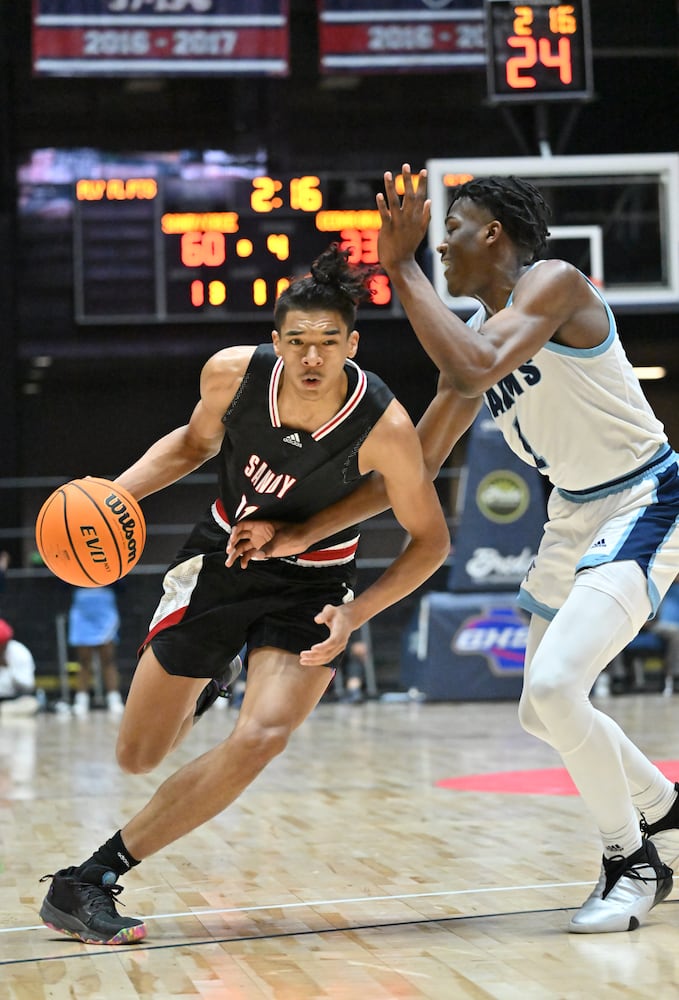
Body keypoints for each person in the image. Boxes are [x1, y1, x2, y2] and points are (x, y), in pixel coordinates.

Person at [230, 166, 679, 935]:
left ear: (493, 233)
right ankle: (665, 806)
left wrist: (398, 267)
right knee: (543, 714)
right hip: (572, 515)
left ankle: (630, 860)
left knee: (556, 686)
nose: (440, 242)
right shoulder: (476, 338)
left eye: (453, 227)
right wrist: (304, 530)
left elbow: (471, 366)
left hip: (643, 496)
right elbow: (417, 469)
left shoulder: (556, 283)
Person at [38, 243, 450, 945]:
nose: (312, 358)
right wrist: (113, 498)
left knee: (263, 735)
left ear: (352, 343)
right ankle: (214, 677)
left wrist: (355, 613)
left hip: (313, 583)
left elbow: (430, 542)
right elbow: (192, 445)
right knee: (137, 755)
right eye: (298, 342)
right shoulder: (233, 377)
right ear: (275, 343)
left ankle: (89, 879)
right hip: (222, 556)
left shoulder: (383, 426)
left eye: (328, 342)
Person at [68, 585, 125, 716]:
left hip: (104, 601)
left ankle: (114, 699)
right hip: (82, 602)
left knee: (108, 659)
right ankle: (81, 700)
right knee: (83, 661)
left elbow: (122, 583)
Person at [0, 618, 39, 716]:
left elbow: (28, 686)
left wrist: (8, 669)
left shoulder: (19, 652)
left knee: (31, 704)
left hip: (12, 701)